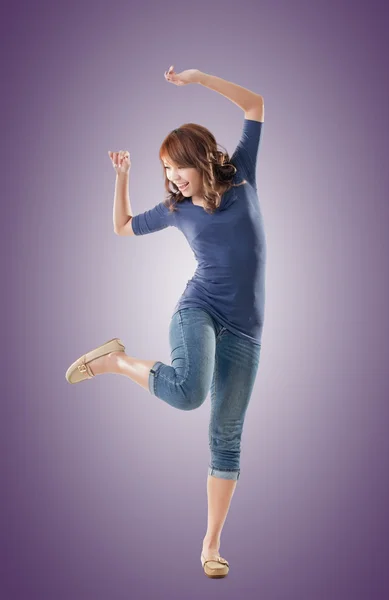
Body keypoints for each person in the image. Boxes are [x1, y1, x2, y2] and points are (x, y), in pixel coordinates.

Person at [65, 66, 265, 579]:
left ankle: (211, 544)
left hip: (247, 329)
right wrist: (123, 178)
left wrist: (201, 80)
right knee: (188, 394)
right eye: (166, 169)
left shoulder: (242, 172)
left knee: (227, 436)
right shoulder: (176, 210)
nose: (173, 177)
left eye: (178, 166)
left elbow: (255, 104)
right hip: (197, 309)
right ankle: (116, 360)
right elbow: (123, 227)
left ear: (199, 159)